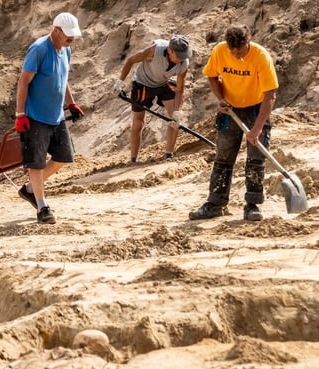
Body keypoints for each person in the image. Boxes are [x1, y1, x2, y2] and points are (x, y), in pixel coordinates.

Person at [188, 24, 277, 222]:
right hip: (230, 111)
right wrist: (221, 99)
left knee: (256, 159)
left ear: (249, 41)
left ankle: (252, 205)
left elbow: (270, 95)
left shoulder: (261, 57)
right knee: (223, 158)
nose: (236, 55)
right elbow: (211, 76)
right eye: (233, 51)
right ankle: (215, 203)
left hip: (255, 109)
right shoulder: (220, 50)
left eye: (240, 50)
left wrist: (257, 128)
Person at [14, 12, 84, 224]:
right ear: (56, 30)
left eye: (73, 34)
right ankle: (42, 207)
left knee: (64, 157)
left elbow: (63, 80)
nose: (71, 38)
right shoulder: (39, 50)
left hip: (56, 115)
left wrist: (70, 103)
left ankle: (29, 189)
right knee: (36, 164)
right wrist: (20, 114)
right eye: (67, 34)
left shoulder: (66, 50)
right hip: (35, 116)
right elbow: (23, 82)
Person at [113, 35, 192, 163]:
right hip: (143, 83)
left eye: (184, 55)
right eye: (179, 55)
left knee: (175, 119)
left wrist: (178, 111)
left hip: (163, 83)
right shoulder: (154, 51)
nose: (182, 59)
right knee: (138, 122)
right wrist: (120, 82)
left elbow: (180, 89)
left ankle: (168, 154)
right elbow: (130, 61)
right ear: (170, 50)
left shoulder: (184, 63)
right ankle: (133, 159)